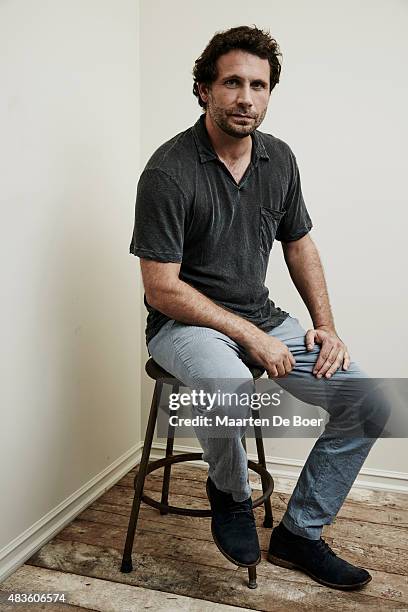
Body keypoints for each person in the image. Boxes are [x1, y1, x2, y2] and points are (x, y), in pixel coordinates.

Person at [129, 25, 389, 590]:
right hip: (184, 323)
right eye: (232, 83)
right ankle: (229, 492)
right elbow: (161, 288)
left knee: (368, 403)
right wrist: (248, 336)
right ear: (203, 89)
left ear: (270, 93)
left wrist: (326, 328)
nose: (246, 97)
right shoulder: (168, 172)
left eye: (259, 85)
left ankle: (300, 533)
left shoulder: (280, 159)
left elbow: (298, 242)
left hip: (263, 317)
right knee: (227, 385)